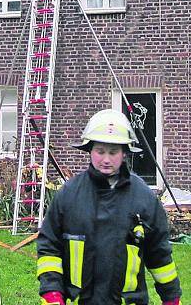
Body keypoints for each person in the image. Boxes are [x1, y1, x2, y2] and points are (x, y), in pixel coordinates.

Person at [36, 109, 182, 305]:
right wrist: (51, 293)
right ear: (89, 150)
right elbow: (49, 247)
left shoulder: (144, 198)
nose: (106, 159)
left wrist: (171, 298)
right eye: (100, 151)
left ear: (124, 153)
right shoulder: (68, 195)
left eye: (113, 152)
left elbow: (159, 254)